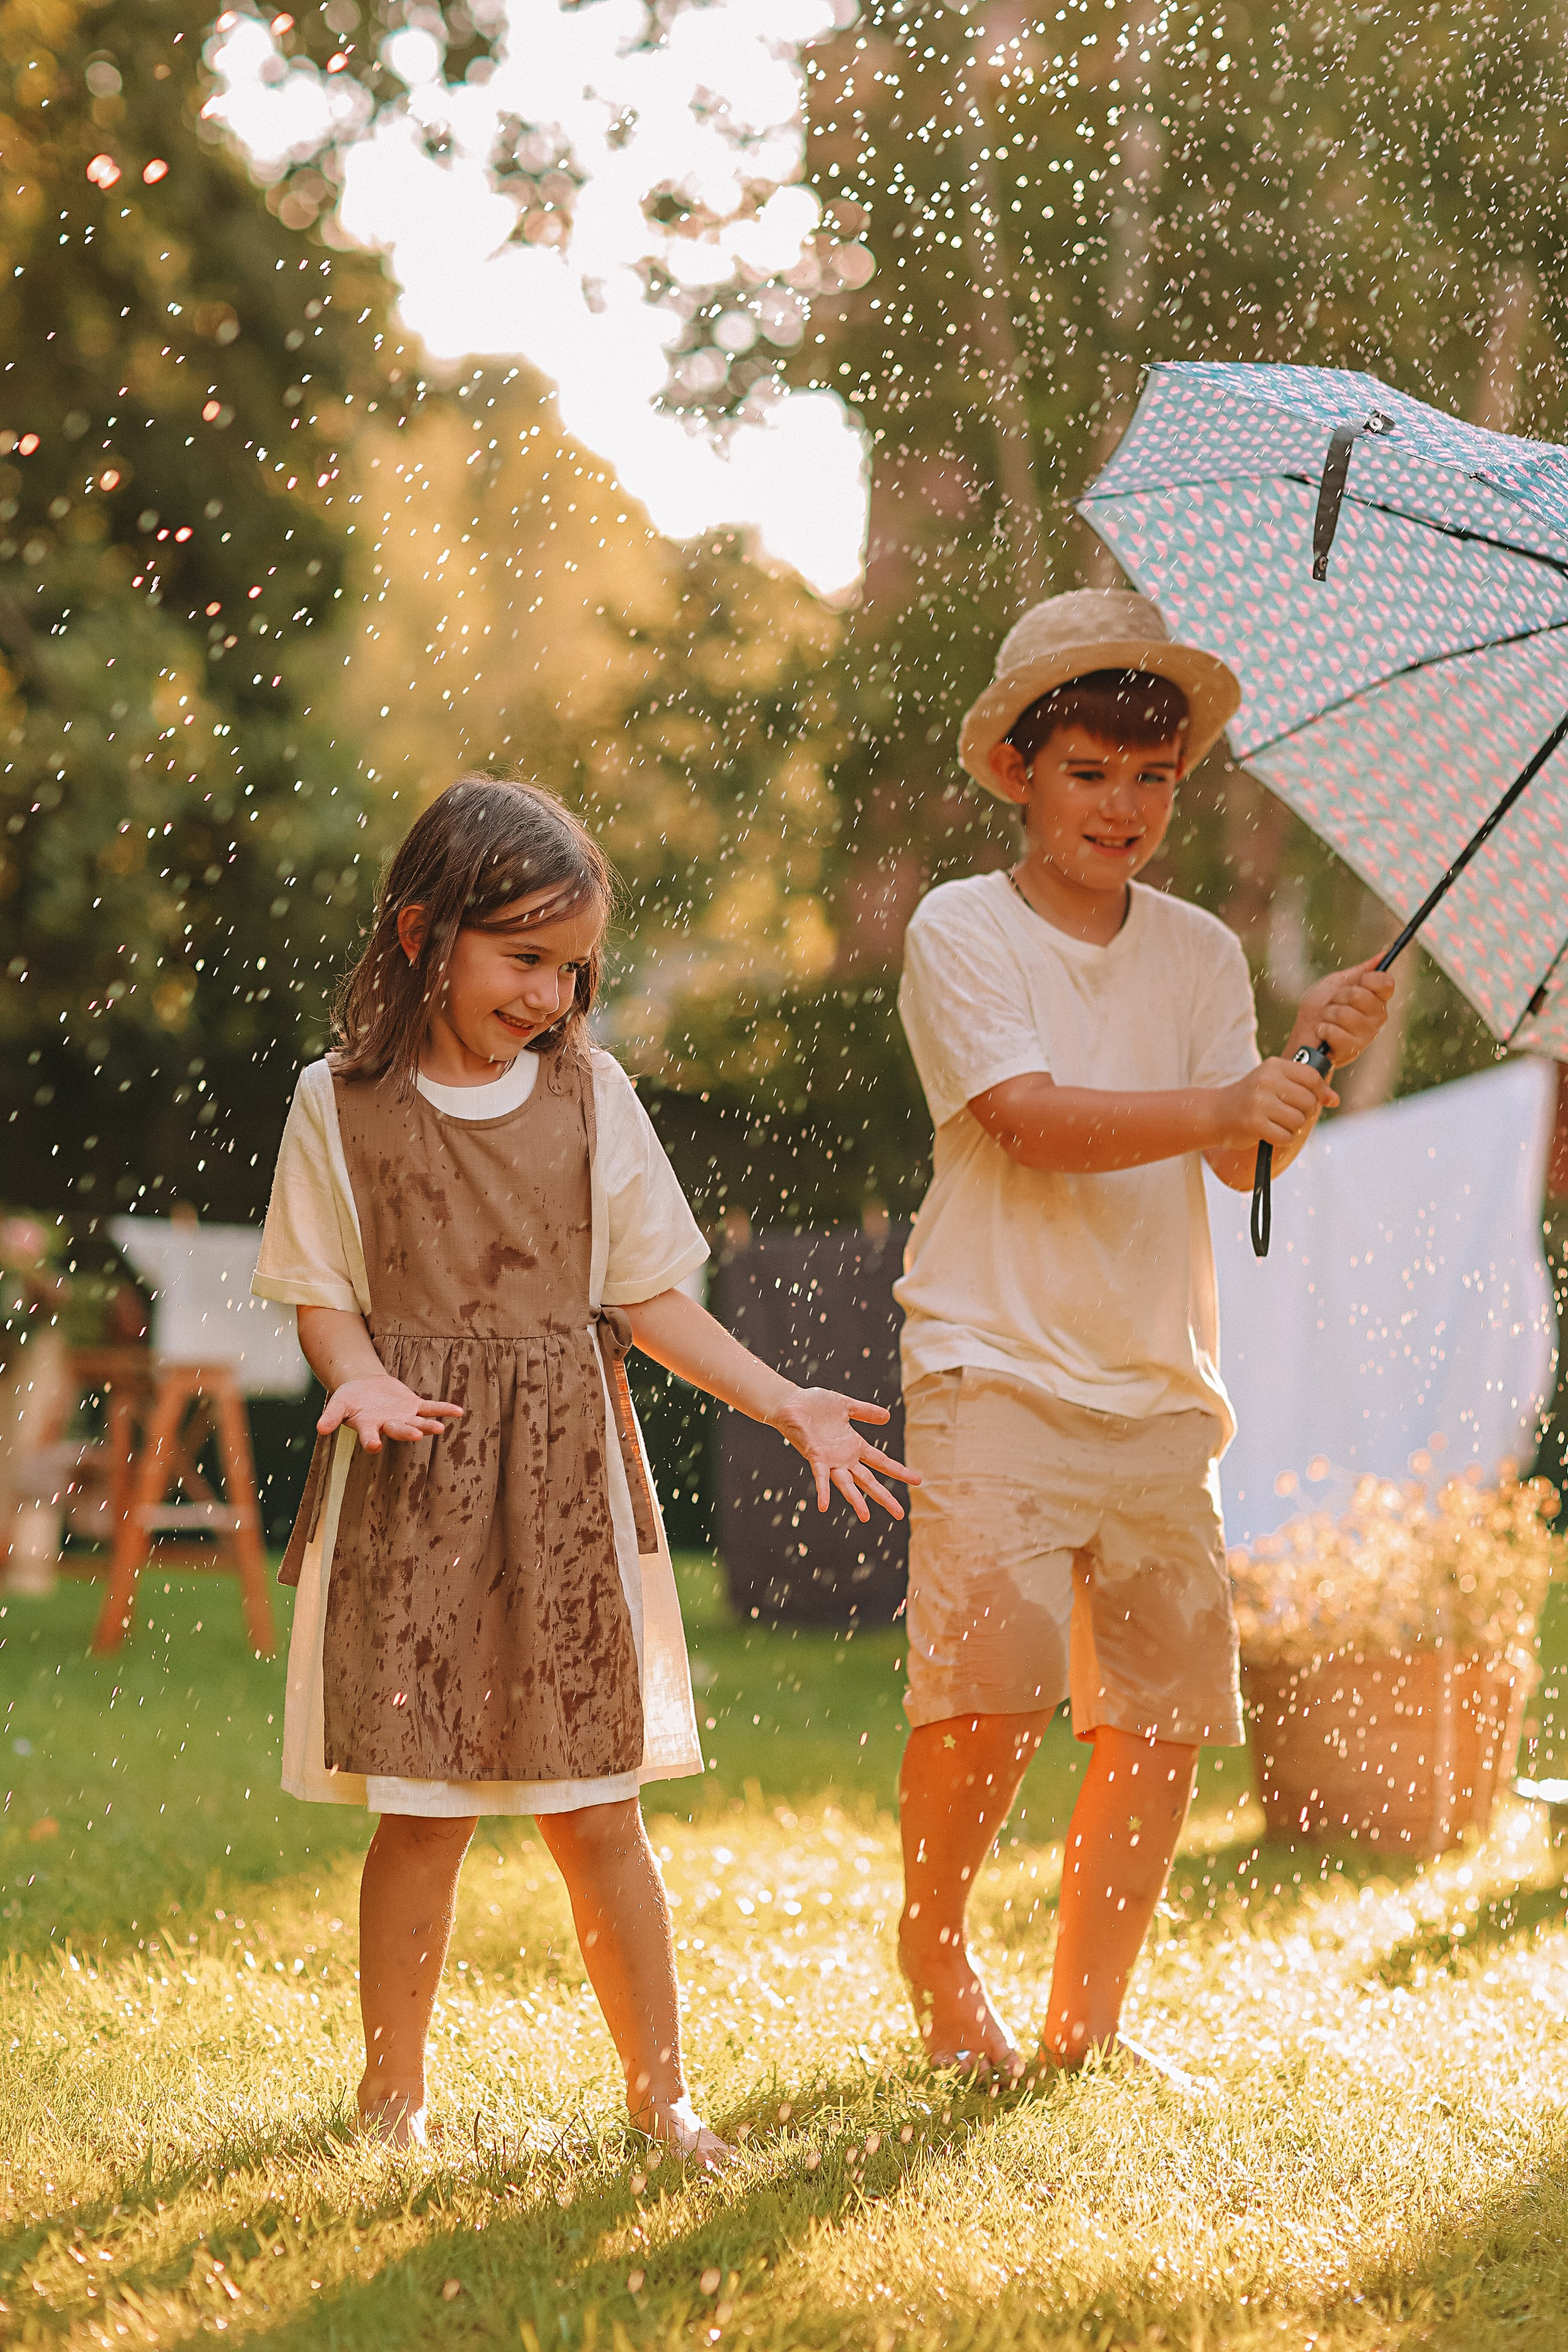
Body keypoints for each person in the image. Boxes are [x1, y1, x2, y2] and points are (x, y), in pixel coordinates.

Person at [254, 774, 914, 2159]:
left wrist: (785, 1402)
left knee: (598, 1811)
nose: (550, 995)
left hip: (563, 1487)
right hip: (416, 1486)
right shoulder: (340, 1103)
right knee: (421, 1816)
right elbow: (321, 1291)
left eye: (571, 968)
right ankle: (391, 2101)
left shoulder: (592, 1095)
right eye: (522, 958)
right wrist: (359, 1374)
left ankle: (660, 2097)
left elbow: (652, 1300)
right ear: (423, 933)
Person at [892, 590, 1392, 2078]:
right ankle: (932, 1947)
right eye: (1089, 773)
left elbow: (1236, 1161)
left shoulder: (1198, 954)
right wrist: (1226, 1100)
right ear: (1016, 772)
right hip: (991, 1356)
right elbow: (1026, 1119)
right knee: (991, 1686)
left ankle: (1086, 2027)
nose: (1122, 807)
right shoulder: (959, 927)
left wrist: (1302, 1061)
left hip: (1160, 1378)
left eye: (1153, 777)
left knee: (1161, 1716)